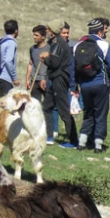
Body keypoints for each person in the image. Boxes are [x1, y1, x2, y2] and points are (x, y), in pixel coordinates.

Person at [72, 18, 110, 153]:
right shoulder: (104, 45)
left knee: (88, 114)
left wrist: (74, 86)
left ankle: (82, 142)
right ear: (100, 31)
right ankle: (98, 144)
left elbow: (73, 68)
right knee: (100, 114)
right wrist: (108, 77)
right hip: (100, 83)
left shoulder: (77, 46)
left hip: (85, 86)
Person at [41, 19, 79, 148]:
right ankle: (49, 136)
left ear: (52, 30)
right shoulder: (55, 43)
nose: (46, 31)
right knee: (46, 107)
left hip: (59, 79)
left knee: (63, 110)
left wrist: (46, 58)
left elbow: (54, 63)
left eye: (48, 28)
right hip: (55, 79)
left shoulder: (58, 43)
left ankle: (73, 140)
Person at [0, 19, 19, 134]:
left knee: (4, 100)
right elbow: (8, 60)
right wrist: (14, 77)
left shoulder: (2, 41)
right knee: (4, 102)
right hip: (5, 76)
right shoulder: (11, 42)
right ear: (16, 31)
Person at [25, 25, 49, 103]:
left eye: (36, 35)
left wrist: (45, 78)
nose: (34, 37)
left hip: (46, 80)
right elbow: (30, 64)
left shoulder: (49, 48)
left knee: (48, 104)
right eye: (34, 35)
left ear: (43, 37)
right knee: (34, 104)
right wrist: (27, 79)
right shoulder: (32, 49)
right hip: (34, 80)